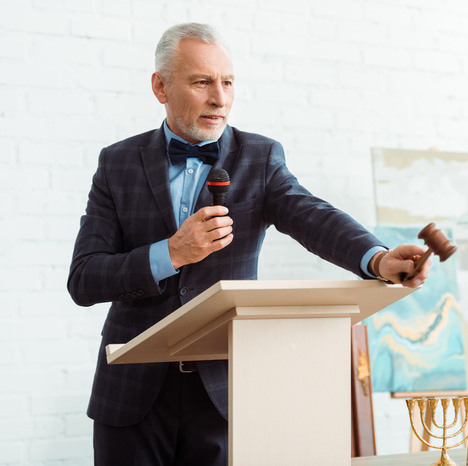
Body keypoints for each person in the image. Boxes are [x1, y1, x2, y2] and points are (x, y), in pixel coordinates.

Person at [67, 22, 431, 465]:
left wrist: (375, 258)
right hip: (131, 393)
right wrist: (172, 253)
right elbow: (84, 279)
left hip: (225, 392)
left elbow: (311, 215)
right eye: (201, 82)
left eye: (227, 82)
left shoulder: (258, 157)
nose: (219, 98)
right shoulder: (117, 163)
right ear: (160, 86)